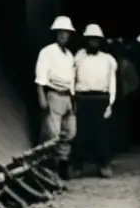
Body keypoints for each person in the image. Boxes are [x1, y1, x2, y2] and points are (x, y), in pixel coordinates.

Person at [70, 24, 118, 178]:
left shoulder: (108, 59)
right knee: (81, 133)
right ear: (86, 40)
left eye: (96, 40)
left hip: (100, 99)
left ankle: (104, 164)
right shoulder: (79, 56)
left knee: (101, 134)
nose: (93, 43)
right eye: (90, 40)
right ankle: (78, 166)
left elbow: (112, 82)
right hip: (83, 98)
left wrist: (110, 103)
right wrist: (73, 97)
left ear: (100, 41)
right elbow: (72, 77)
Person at [34, 16, 78, 179]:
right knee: (53, 133)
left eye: (66, 33)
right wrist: (42, 96)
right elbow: (41, 75)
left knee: (70, 132)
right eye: (61, 32)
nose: (64, 36)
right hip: (53, 93)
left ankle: (63, 163)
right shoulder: (47, 51)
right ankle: (49, 168)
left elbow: (72, 78)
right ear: (56, 33)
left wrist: (73, 100)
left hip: (67, 96)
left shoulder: (69, 55)